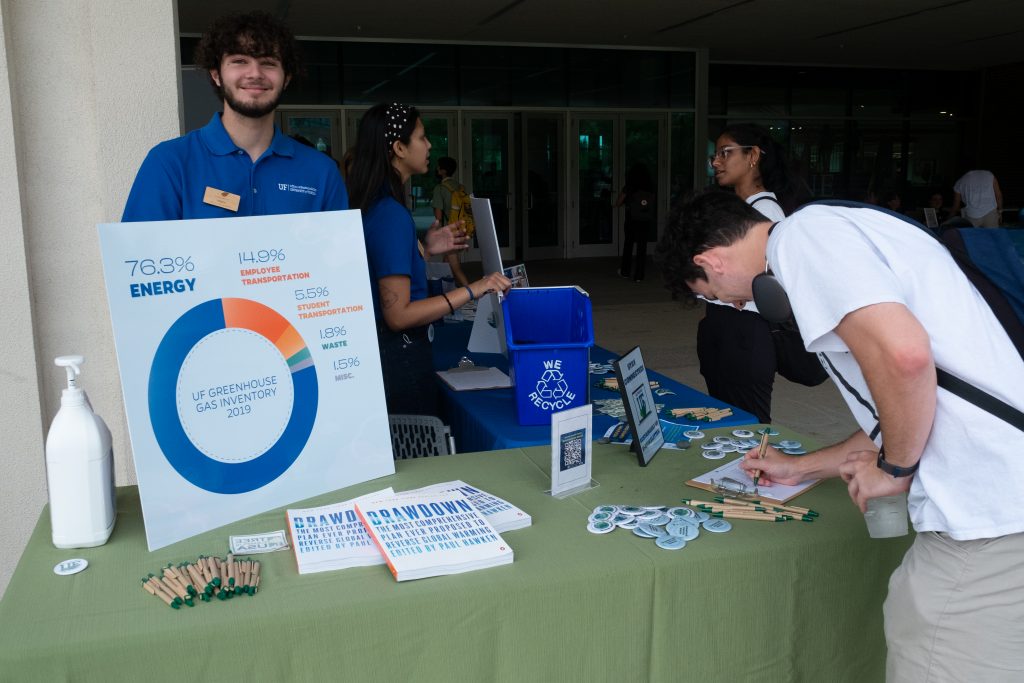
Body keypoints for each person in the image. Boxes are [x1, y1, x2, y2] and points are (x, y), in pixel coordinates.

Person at [658, 190, 1024, 681]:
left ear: (710, 262)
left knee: (935, 648)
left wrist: (893, 469)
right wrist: (804, 466)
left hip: (994, 515)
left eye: (718, 296)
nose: (737, 303)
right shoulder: (841, 229)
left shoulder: (802, 239)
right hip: (1005, 498)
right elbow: (907, 407)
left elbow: (905, 360)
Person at [346, 103, 511, 418]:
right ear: (398, 147)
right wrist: (476, 287)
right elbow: (399, 315)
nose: (430, 145)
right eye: (422, 137)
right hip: (400, 358)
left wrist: (423, 248)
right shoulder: (390, 213)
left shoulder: (376, 202)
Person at [122, 11, 346, 221]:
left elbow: (339, 259)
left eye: (268, 63)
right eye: (240, 61)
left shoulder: (321, 171)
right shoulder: (170, 163)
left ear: (286, 78)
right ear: (216, 75)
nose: (255, 74)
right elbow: (143, 255)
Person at [696, 124, 794, 423]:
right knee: (725, 419)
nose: (716, 162)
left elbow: (781, 279)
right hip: (722, 325)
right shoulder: (736, 207)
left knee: (749, 425)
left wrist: (743, 290)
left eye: (726, 153)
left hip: (746, 331)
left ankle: (759, 471)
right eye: (716, 155)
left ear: (753, 156)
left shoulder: (766, 213)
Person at [430, 156, 470, 287]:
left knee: (456, 269)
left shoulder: (440, 188)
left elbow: (438, 217)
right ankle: (445, 290)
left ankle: (472, 294)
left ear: (443, 171)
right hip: (462, 230)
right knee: (446, 263)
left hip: (449, 232)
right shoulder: (459, 187)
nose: (436, 169)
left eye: (438, 167)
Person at [614, 163, 655, 282]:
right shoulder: (650, 187)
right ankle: (639, 275)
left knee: (628, 245)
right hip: (645, 220)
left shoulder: (630, 186)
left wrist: (617, 204)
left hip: (632, 219)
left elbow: (619, 202)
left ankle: (625, 271)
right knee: (642, 247)